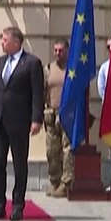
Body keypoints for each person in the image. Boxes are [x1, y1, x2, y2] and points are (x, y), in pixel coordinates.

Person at [0, 26, 45, 221]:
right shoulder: (0, 62)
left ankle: (18, 205)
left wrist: (36, 119)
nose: (2, 43)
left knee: (19, 164)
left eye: (4, 40)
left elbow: (37, 94)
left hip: (19, 121)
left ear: (16, 42)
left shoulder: (32, 63)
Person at [44, 39, 74, 198]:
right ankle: (54, 180)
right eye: (55, 50)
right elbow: (43, 92)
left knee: (67, 150)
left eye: (61, 50)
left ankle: (66, 183)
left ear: (67, 51)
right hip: (51, 115)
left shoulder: (72, 69)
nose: (57, 53)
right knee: (51, 151)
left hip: (68, 114)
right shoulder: (48, 69)